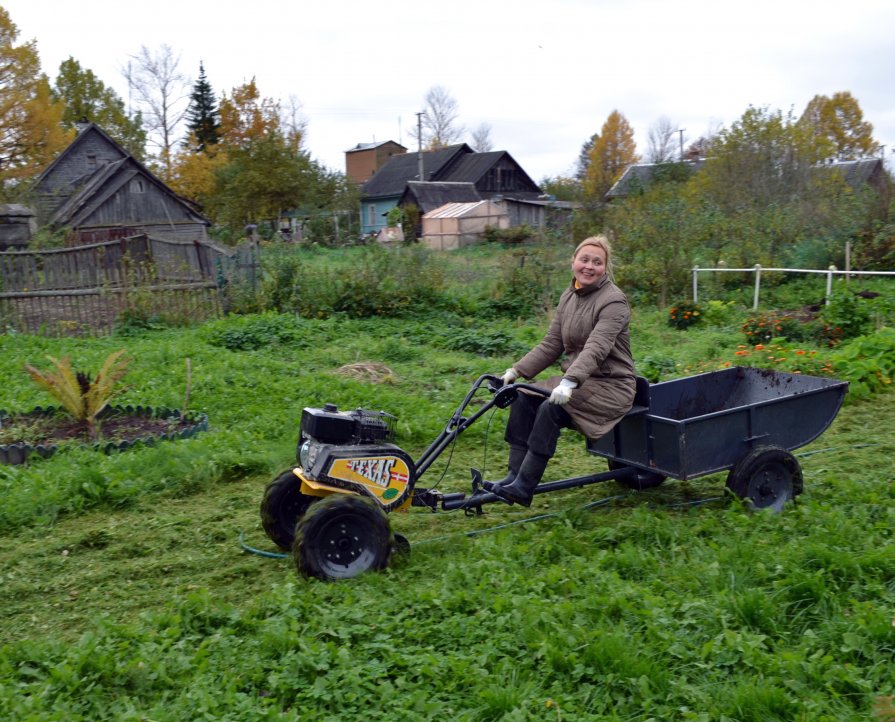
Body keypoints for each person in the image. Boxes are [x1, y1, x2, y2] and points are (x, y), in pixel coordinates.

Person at [484, 235, 637, 507]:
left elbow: (597, 347)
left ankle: (524, 486)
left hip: (611, 387)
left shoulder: (614, 301)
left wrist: (569, 382)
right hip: (579, 382)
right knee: (521, 395)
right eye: (584, 259)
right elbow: (551, 343)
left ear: (605, 267)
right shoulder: (570, 295)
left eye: (597, 262)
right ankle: (513, 475)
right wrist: (516, 372)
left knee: (551, 410)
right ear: (574, 262)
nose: (589, 266)